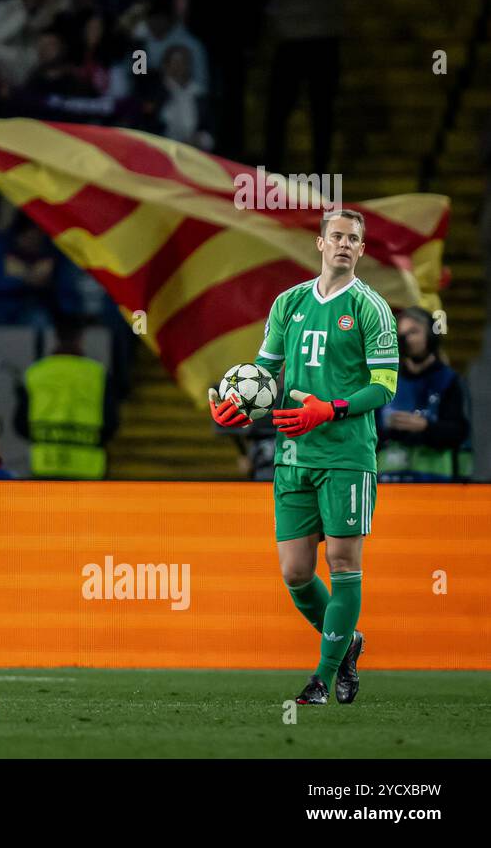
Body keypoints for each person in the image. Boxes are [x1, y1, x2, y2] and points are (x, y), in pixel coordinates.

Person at [209, 208, 398, 706]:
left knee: (341, 561)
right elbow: (265, 374)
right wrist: (235, 407)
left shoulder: (371, 308)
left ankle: (321, 676)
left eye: (352, 239)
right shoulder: (288, 302)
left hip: (346, 455)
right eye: (335, 235)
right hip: (292, 454)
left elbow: (384, 386)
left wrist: (330, 409)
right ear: (319, 244)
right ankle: (347, 641)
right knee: (295, 571)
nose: (342, 244)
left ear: (360, 250)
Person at [375, 307, 471, 482]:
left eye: (414, 332)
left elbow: (459, 432)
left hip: (437, 486)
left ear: (432, 336)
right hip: (389, 485)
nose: (406, 339)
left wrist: (425, 427)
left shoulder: (450, 381)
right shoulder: (384, 381)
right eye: (402, 334)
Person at [15, 319, 117, 479]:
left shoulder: (35, 373)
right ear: (81, 339)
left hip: (44, 464)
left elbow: (20, 423)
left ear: (55, 338)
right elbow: (111, 422)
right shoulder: (98, 374)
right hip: (87, 467)